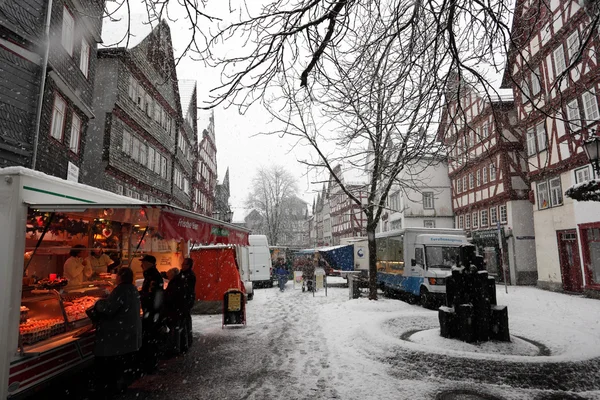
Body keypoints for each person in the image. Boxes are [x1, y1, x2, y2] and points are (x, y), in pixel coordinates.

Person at [87, 267, 142, 398]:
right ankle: (120, 384)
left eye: (117, 275)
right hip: (128, 332)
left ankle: (112, 387)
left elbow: (109, 309)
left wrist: (99, 303)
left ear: (120, 277)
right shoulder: (132, 289)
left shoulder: (120, 290)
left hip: (118, 333)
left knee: (114, 364)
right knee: (122, 363)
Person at [138, 255, 164, 374]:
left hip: (151, 313)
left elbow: (151, 295)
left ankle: (150, 364)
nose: (141, 265)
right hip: (152, 313)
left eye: (143, 262)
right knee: (151, 338)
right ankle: (150, 363)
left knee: (150, 338)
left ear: (149, 263)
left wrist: (140, 297)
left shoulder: (153, 277)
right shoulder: (151, 275)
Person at [163, 267, 186, 355]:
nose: (168, 277)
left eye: (169, 275)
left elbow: (171, 297)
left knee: (175, 329)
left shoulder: (174, 283)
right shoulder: (178, 282)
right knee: (177, 329)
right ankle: (179, 347)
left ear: (172, 275)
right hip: (177, 309)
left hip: (174, 310)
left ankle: (175, 349)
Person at [179, 257, 196, 351]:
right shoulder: (183, 273)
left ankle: (186, 342)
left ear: (189, 266)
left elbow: (187, 289)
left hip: (186, 301)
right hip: (186, 301)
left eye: (184, 264)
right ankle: (186, 341)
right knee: (185, 321)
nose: (182, 265)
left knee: (185, 321)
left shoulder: (189, 275)